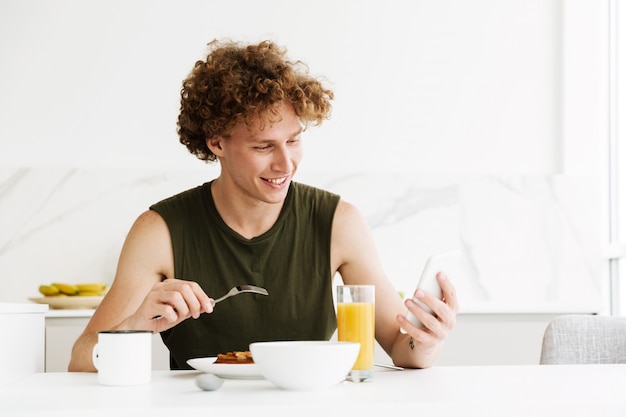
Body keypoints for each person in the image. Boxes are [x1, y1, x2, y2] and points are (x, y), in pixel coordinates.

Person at [68, 39, 459, 372]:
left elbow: (399, 346)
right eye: (263, 146)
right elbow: (81, 359)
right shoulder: (160, 230)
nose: (285, 164)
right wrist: (135, 326)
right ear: (216, 142)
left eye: (293, 140)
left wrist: (425, 342)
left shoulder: (338, 222)